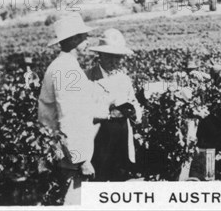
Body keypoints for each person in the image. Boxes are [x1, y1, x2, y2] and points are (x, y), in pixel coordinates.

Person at [37, 13, 126, 204]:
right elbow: (69, 116)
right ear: (74, 39)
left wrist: (107, 114)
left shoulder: (64, 66)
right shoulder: (67, 70)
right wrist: (81, 160)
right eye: (83, 36)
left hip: (64, 153)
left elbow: (81, 107)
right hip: (70, 159)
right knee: (73, 201)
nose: (87, 40)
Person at [86, 28, 143, 182]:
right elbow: (82, 111)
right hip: (99, 142)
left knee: (120, 182)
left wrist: (135, 113)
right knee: (99, 183)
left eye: (118, 58)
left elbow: (134, 102)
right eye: (110, 57)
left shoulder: (123, 79)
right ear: (101, 55)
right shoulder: (88, 78)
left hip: (122, 142)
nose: (115, 62)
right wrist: (109, 114)